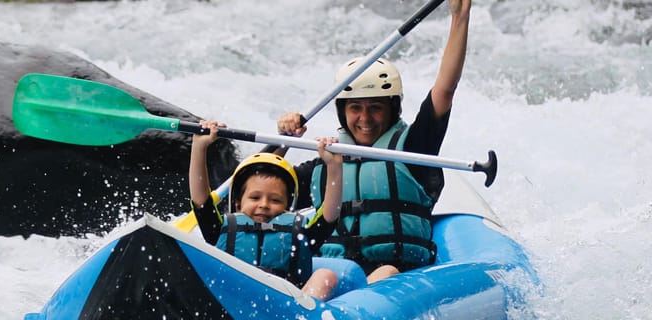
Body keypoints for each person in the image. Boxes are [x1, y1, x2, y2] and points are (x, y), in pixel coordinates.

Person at [275, 0, 472, 283]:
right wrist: (284, 140)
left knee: (384, 273)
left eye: (375, 108)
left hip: (396, 276)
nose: (365, 118)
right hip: (334, 277)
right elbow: (264, 187)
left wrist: (459, 17)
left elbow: (444, 91)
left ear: (392, 109)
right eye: (355, 108)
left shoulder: (414, 149)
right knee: (322, 278)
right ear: (343, 112)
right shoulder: (326, 164)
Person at [188, 120, 344, 301]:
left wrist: (334, 167)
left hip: (285, 307)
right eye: (255, 198)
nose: (264, 204)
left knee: (325, 276)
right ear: (237, 204)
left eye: (275, 200)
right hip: (232, 303)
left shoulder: (301, 234)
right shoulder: (220, 229)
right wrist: (199, 147)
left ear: (288, 207)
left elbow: (329, 216)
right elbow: (201, 202)